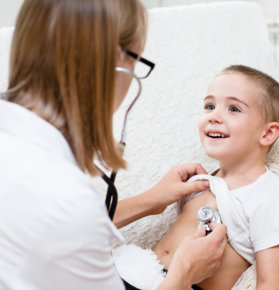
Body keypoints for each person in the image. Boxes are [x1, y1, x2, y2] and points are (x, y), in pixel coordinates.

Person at [0, 0, 227, 289]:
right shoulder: (66, 201)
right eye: (136, 59)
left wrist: (151, 201)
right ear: (113, 65)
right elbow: (67, 224)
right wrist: (183, 276)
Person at [114, 65, 279, 290]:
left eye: (233, 108)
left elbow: (270, 283)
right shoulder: (198, 182)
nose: (214, 116)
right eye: (210, 106)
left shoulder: (268, 199)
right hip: (131, 271)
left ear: (267, 133)